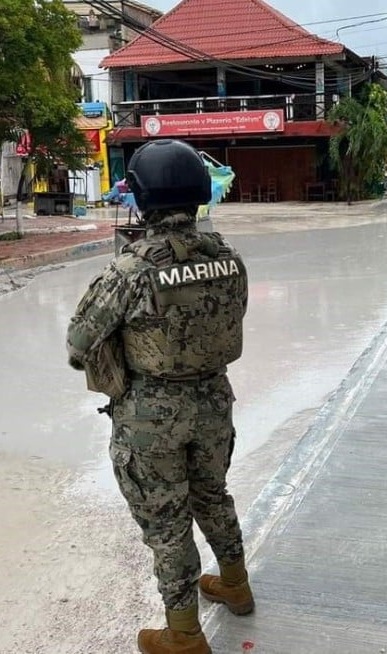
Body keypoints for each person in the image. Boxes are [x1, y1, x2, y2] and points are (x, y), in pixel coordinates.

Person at [66, 139, 253, 654]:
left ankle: (185, 635)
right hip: (215, 400)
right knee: (213, 495)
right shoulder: (229, 259)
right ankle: (235, 584)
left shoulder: (130, 270)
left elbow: (78, 344)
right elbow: (231, 318)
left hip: (151, 417)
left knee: (167, 523)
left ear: (141, 199)